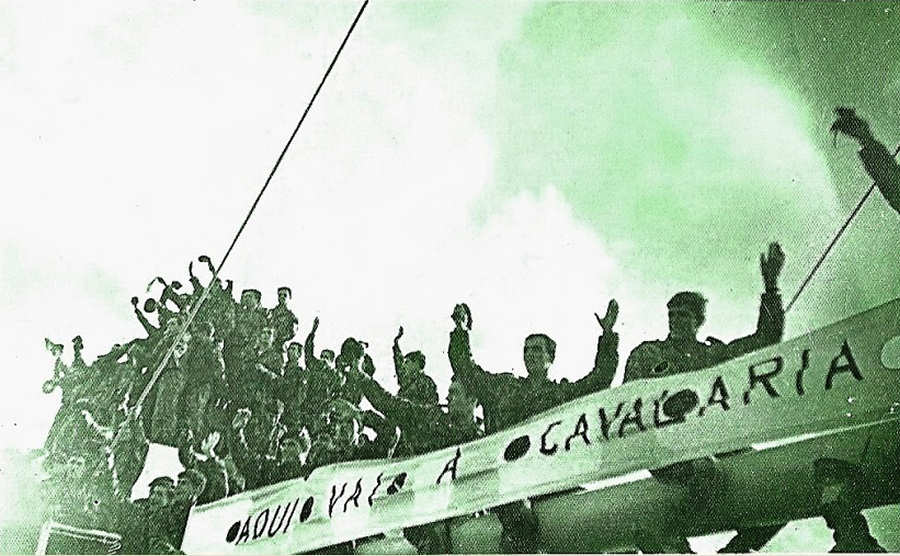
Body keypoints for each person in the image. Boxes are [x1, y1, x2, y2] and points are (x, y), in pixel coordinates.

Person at [623, 243, 785, 553]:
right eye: (672, 315)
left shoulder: (712, 355)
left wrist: (771, 287)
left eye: (683, 315)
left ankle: (735, 551)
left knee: (777, 483)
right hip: (666, 446)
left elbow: (765, 340)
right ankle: (673, 540)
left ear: (698, 321)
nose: (675, 320)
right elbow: (625, 404)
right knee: (702, 470)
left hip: (714, 438)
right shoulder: (647, 354)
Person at [448, 300, 619, 553]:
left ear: (551, 358)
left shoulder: (561, 395)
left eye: (538, 350)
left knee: (590, 527)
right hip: (510, 485)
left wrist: (608, 335)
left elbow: (600, 380)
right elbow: (467, 370)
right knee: (520, 523)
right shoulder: (504, 388)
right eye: (527, 350)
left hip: (552, 481)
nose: (530, 354)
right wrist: (461, 330)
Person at [832, 107, 900, 216]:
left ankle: (849, 121)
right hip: (890, 181)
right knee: (870, 146)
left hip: (889, 182)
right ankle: (849, 121)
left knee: (869, 146)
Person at [392, 326, 439, 406]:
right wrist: (396, 343)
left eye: (407, 362)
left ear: (416, 363)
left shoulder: (426, 382)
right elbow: (399, 362)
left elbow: (432, 404)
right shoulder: (406, 378)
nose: (404, 365)